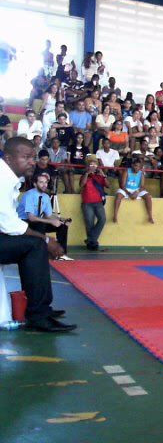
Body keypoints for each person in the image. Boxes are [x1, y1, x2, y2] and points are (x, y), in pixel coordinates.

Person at [0, 137, 76, 332]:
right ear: (8, 158)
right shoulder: (1, 179)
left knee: (34, 243)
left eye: (33, 157)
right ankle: (39, 314)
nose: (32, 162)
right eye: (26, 157)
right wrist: (47, 240)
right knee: (36, 245)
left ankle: (39, 309)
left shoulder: (9, 179)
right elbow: (8, 223)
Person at [80, 156, 108, 251]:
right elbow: (82, 184)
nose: (93, 166)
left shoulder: (99, 176)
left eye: (94, 164)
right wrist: (87, 174)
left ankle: (90, 239)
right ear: (88, 166)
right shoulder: (84, 175)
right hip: (87, 202)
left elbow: (108, 185)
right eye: (91, 164)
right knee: (89, 223)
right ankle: (92, 244)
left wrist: (103, 175)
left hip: (98, 202)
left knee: (102, 219)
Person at [113, 158, 154, 224]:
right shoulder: (127, 171)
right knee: (118, 196)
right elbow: (122, 185)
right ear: (132, 165)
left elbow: (142, 186)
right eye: (135, 166)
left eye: (138, 166)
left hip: (137, 189)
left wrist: (137, 192)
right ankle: (115, 215)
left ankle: (150, 216)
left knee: (148, 197)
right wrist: (129, 193)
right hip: (126, 189)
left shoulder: (141, 173)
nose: (137, 168)